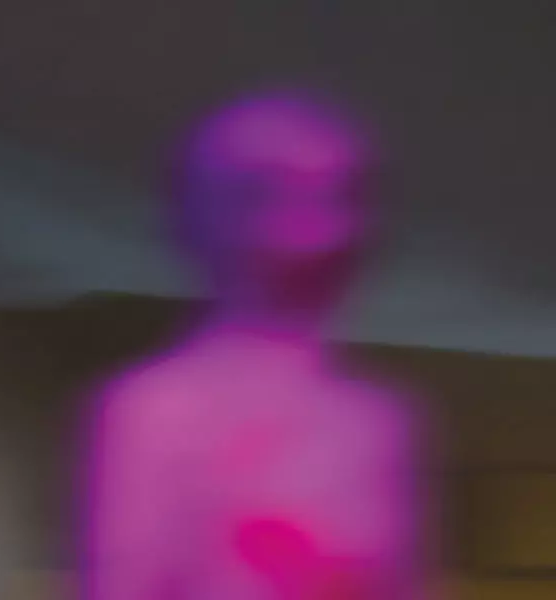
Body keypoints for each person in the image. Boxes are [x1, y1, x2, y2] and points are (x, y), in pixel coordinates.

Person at [80, 86, 441, 599]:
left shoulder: (377, 423)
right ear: (206, 217)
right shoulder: (156, 411)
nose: (316, 232)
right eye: (272, 194)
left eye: (339, 197)